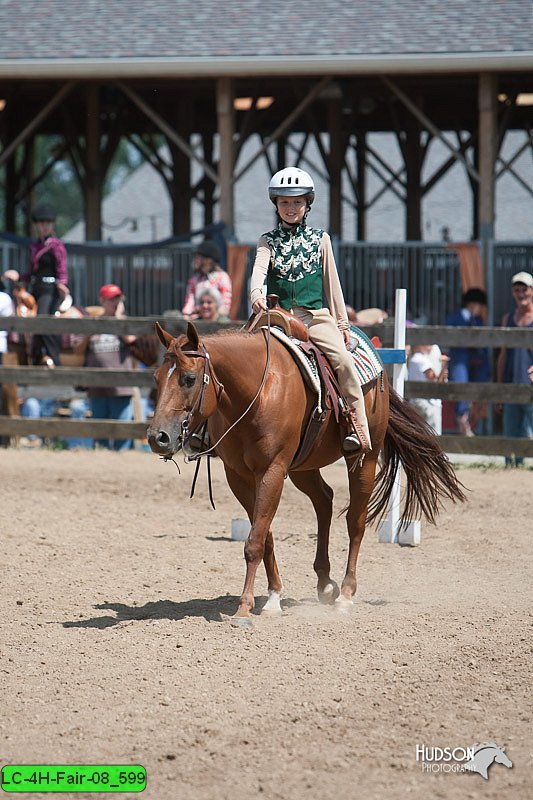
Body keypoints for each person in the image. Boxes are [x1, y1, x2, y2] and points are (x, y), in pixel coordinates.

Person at [249, 167, 371, 455]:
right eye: (285, 202)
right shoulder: (267, 241)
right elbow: (258, 270)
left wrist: (342, 324)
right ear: (276, 204)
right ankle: (213, 430)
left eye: (297, 202)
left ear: (307, 204)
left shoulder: (321, 239)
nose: (291, 208)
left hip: (314, 318)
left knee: (342, 360)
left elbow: (333, 284)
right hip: (276, 317)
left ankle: (358, 426)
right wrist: (256, 294)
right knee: (237, 358)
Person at [3, 202, 69, 367]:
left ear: (52, 225)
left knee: (42, 318)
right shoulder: (34, 246)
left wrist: (62, 283)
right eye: (41, 223)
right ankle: (30, 355)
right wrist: (18, 275)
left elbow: (62, 269)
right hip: (35, 288)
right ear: (37, 226)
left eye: (47, 223)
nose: (44, 226)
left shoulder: (56, 245)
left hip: (50, 289)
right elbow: (31, 272)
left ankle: (56, 360)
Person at [75, 284, 137, 451]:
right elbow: (79, 349)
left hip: (121, 386)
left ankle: (122, 457)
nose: (115, 302)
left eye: (118, 298)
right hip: (97, 385)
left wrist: (117, 318)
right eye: (111, 299)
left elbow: (131, 340)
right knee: (99, 429)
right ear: (102, 300)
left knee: (122, 429)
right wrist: (90, 330)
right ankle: (101, 455)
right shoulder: (94, 322)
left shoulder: (123, 322)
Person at [496, 271, 533, 467]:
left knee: (529, 433)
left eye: (524, 289)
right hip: (511, 384)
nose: (521, 293)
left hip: (530, 387)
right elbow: (502, 355)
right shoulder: (507, 318)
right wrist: (500, 388)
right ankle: (512, 467)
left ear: (532, 291)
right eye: (517, 289)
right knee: (511, 433)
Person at [444, 287, 491, 436]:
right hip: (460, 358)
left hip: (476, 360)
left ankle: (472, 412)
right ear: (472, 304)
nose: (480, 309)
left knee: (484, 371)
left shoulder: (478, 320)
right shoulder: (455, 318)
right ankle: (462, 419)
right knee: (460, 380)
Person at [182, 240, 232, 319]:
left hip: (218, 319)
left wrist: (216, 315)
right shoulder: (194, 279)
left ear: (208, 260)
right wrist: (186, 314)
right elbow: (189, 300)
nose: (195, 260)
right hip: (198, 318)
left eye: (198, 257)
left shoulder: (222, 277)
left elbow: (226, 303)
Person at [407, 343, 449, 435]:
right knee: (433, 435)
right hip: (428, 402)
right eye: (428, 343)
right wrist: (444, 365)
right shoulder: (421, 360)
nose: (431, 346)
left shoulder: (414, 359)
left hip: (416, 401)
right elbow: (434, 380)